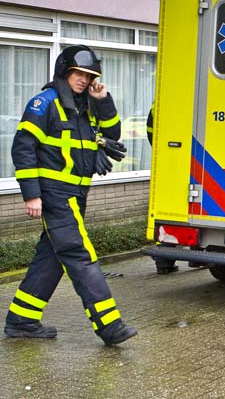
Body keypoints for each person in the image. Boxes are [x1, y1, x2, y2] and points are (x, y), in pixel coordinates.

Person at [4, 45, 137, 346]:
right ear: (64, 71)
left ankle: (21, 320)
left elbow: (113, 134)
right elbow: (23, 149)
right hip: (55, 195)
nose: (82, 79)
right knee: (79, 254)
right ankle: (109, 325)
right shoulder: (45, 102)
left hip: (76, 193)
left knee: (50, 258)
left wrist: (103, 101)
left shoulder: (86, 104)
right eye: (78, 73)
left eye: (88, 75)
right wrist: (32, 195)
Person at [145, 103, 178, 274]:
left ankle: (163, 262)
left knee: (167, 211)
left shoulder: (158, 102)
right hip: (187, 159)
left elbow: (150, 131)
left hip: (166, 156)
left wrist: (160, 149)